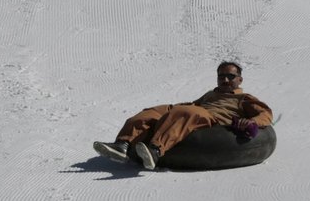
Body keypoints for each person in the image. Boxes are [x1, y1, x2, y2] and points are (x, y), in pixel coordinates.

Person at [93, 61, 273, 170]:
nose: (225, 79)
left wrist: (251, 122)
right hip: (195, 110)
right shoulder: (211, 94)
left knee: (186, 112)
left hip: (212, 121)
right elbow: (195, 105)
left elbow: (265, 114)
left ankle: (155, 151)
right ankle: (122, 145)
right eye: (221, 76)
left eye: (230, 76)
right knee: (153, 111)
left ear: (239, 79)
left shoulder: (244, 98)